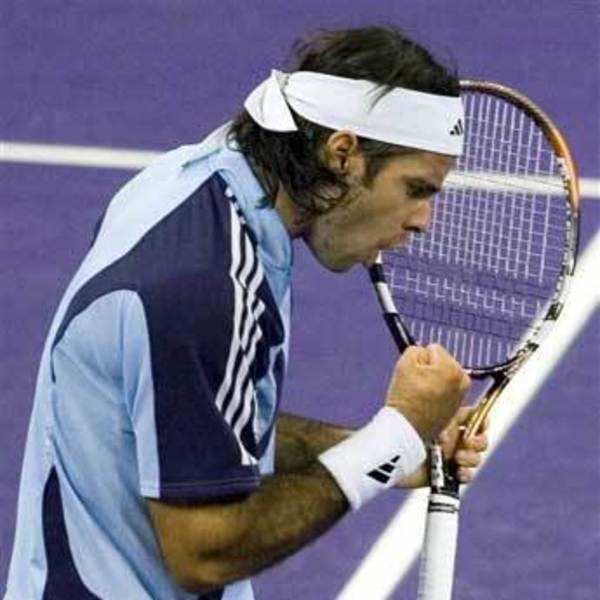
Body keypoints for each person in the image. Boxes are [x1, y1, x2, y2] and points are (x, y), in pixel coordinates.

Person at [4, 26, 488, 599]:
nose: (422, 220)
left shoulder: (192, 180)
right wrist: (393, 437)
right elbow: (203, 553)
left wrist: (395, 447)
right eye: (416, 188)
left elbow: (188, 428)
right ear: (342, 153)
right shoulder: (208, 282)